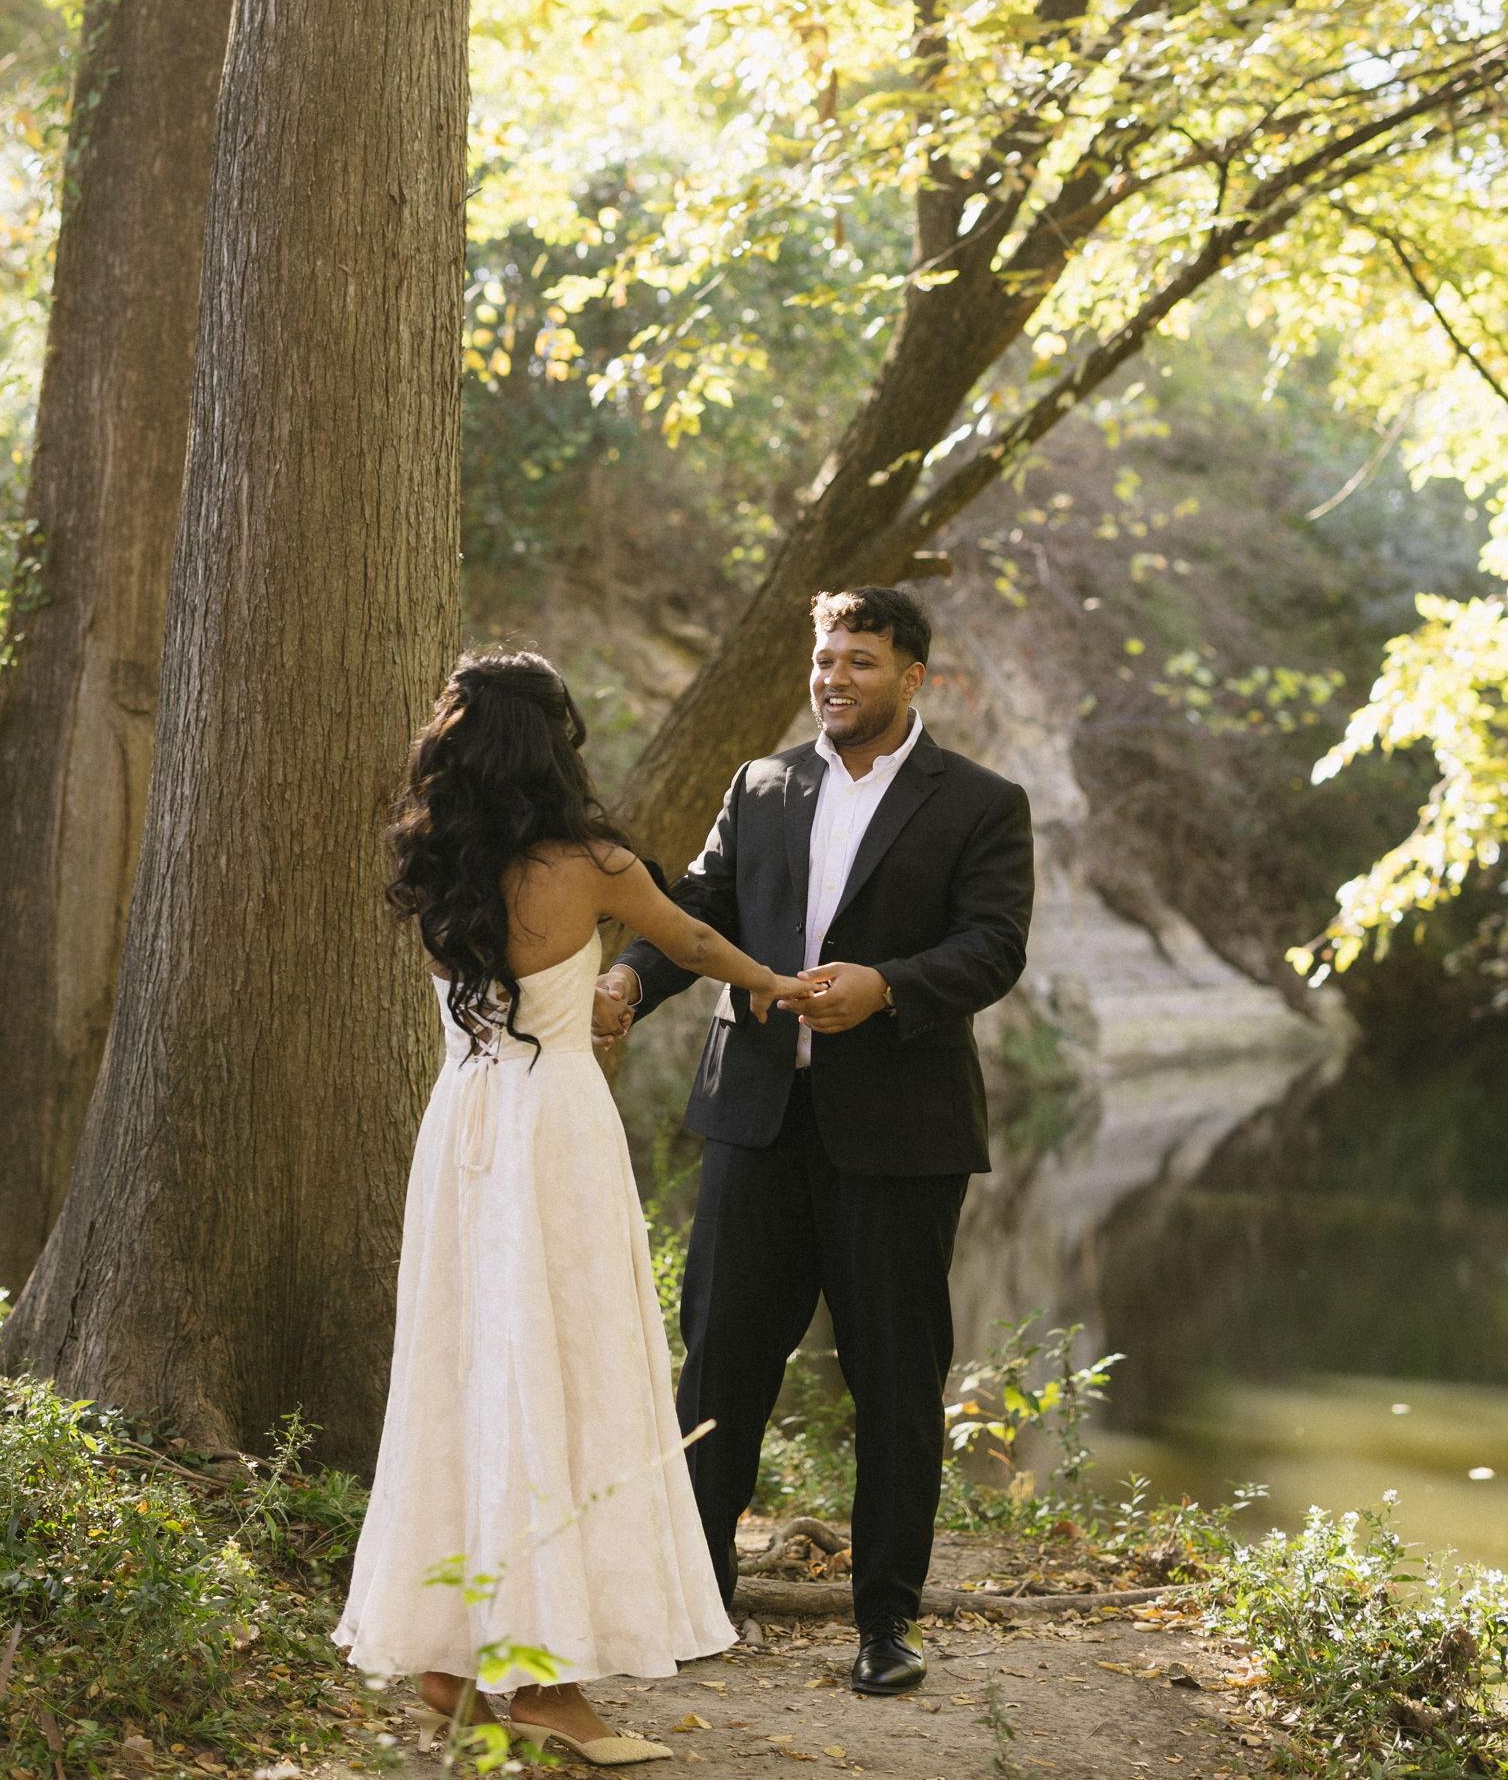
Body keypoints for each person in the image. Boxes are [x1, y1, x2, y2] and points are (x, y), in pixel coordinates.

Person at [334, 650, 807, 1766]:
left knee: (468, 1375)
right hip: (552, 1128)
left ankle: (453, 1657)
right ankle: (543, 1679)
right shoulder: (592, 864)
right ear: (551, 744)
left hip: (463, 1123)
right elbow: (690, 941)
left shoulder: (435, 857)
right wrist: (773, 984)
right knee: (564, 1373)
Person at [593, 586, 1033, 1698]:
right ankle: (695, 1599)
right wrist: (628, 980)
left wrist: (886, 984)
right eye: (826, 659)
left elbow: (993, 945)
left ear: (911, 677)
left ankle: (885, 1620)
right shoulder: (761, 783)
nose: (835, 677)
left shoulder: (981, 802)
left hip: (901, 1140)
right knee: (718, 1366)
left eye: (860, 661)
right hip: (754, 1122)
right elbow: (697, 908)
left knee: (895, 1380)